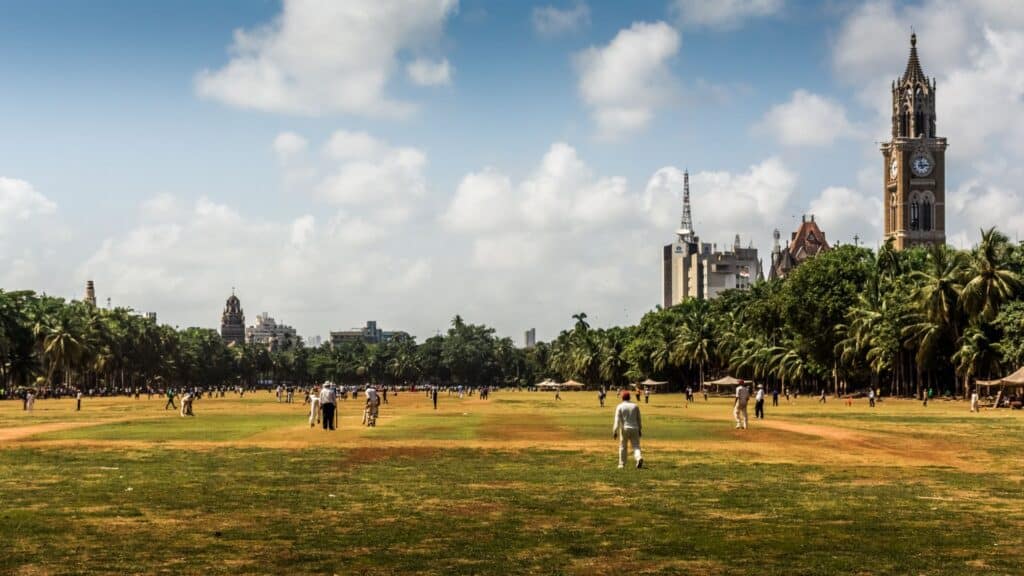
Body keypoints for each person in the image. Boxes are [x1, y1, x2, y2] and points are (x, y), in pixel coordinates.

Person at [612, 391, 643, 469]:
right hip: (635, 428)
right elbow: (639, 419)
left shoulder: (620, 406)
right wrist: (640, 429)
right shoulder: (635, 406)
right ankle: (638, 458)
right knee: (636, 446)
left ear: (622, 397)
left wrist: (615, 431)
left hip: (624, 428)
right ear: (630, 397)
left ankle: (621, 464)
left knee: (623, 446)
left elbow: (617, 420)